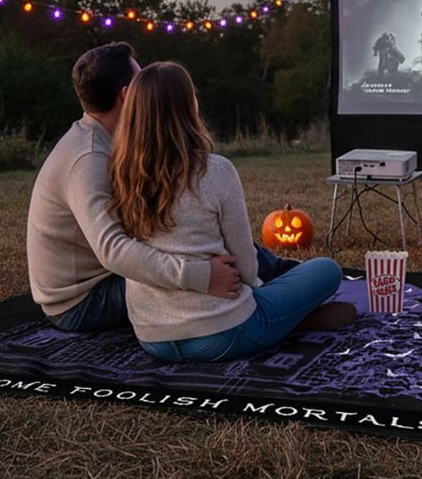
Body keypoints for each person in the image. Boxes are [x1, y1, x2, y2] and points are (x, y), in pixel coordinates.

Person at [27, 42, 292, 332]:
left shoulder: (112, 142)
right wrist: (201, 275)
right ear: (128, 95)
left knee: (210, 237)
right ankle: (277, 302)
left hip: (105, 279)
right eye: (142, 81)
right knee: (208, 264)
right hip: (83, 301)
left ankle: (283, 278)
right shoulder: (88, 159)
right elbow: (113, 251)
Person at [108, 61, 353, 363]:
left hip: (152, 338)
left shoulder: (121, 175)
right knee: (327, 269)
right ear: (188, 107)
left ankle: (278, 320)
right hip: (224, 334)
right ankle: (286, 323)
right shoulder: (215, 171)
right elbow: (247, 268)